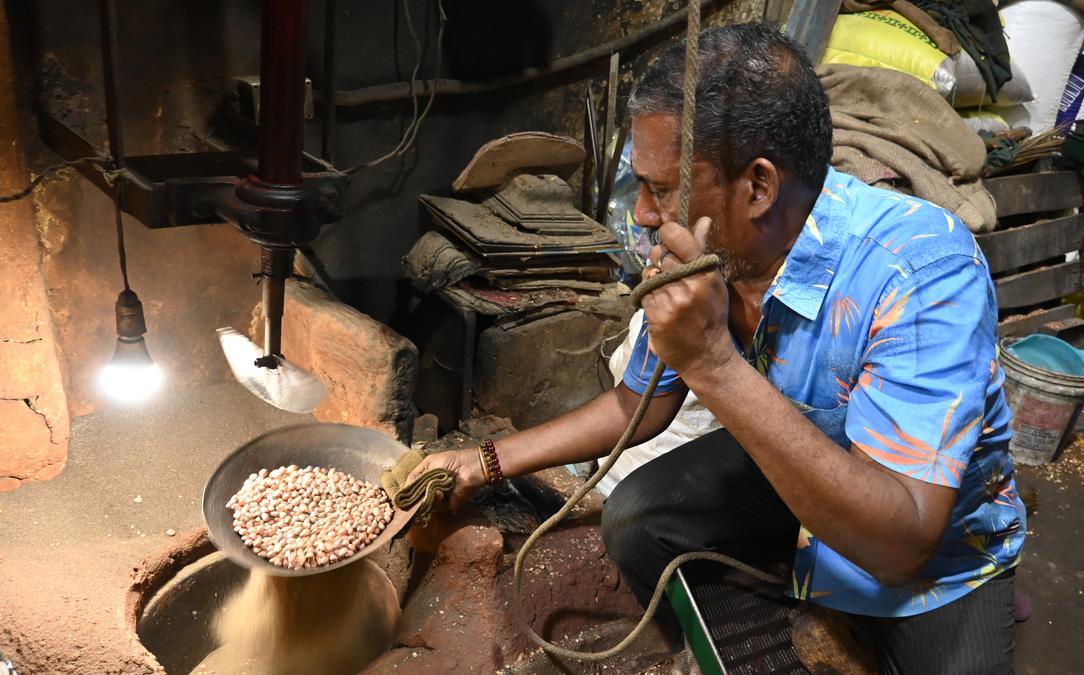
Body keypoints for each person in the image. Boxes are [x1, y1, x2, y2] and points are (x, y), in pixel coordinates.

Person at [409, 22, 1025, 675]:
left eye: (660, 187)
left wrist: (713, 362)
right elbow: (634, 406)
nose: (644, 214)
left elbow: (901, 544)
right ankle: (742, 632)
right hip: (795, 451)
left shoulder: (921, 268)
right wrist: (480, 461)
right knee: (636, 519)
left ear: (757, 187)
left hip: (929, 541)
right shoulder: (715, 249)